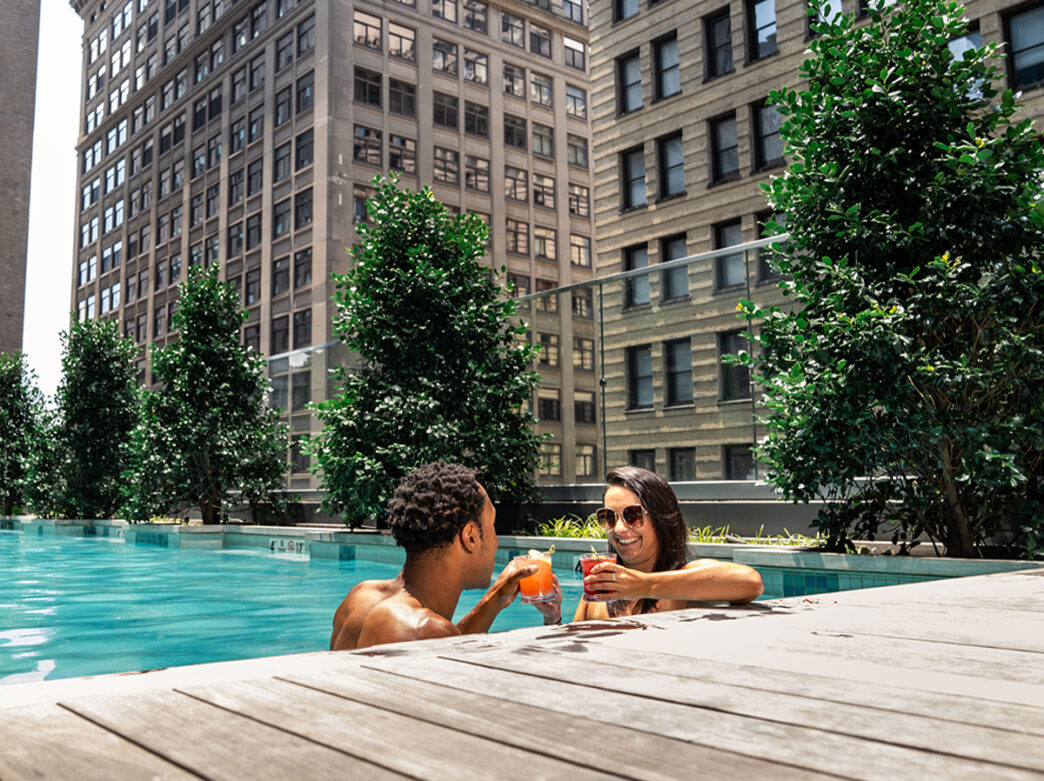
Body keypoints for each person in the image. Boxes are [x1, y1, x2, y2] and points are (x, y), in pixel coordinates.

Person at [331, 462, 561, 651]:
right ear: (470, 537)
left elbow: (447, 643)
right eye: (492, 525)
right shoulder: (422, 629)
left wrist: (496, 598)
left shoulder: (359, 597)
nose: (496, 541)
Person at [574, 466, 763, 621]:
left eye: (633, 515)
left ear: (660, 518)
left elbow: (750, 582)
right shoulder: (597, 595)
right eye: (609, 517)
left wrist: (643, 585)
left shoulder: (685, 582)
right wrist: (557, 616)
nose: (619, 529)